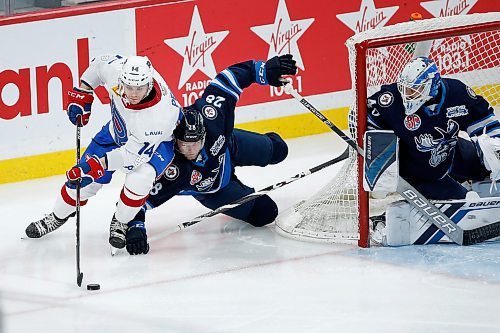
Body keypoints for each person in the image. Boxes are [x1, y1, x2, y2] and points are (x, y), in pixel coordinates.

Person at [124, 54, 297, 255]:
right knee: (265, 213)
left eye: (194, 143)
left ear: (204, 136)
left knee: (279, 150)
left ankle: (265, 146)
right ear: (174, 141)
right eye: (183, 144)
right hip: (214, 190)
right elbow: (135, 199)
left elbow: (230, 76)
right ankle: (241, 190)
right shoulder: (169, 166)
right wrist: (136, 228)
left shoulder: (211, 115)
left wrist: (264, 72)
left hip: (230, 148)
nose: (189, 150)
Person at [25, 54, 182, 251]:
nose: (133, 93)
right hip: (118, 130)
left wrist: (96, 166)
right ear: (122, 79)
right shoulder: (117, 71)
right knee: (81, 184)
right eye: (129, 87)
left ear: (149, 84)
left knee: (141, 178)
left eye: (139, 88)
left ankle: (121, 221)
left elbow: (131, 158)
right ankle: (57, 216)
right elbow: (98, 65)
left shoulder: (158, 119)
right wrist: (83, 92)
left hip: (157, 144)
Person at [367, 56, 500, 201]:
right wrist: (380, 165)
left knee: (494, 163)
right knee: (463, 204)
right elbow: (366, 116)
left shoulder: (457, 92)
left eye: (414, 90)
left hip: (451, 153)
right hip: (418, 173)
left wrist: (494, 145)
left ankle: (467, 179)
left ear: (433, 85)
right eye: (404, 88)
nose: (407, 95)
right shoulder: (391, 99)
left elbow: (483, 118)